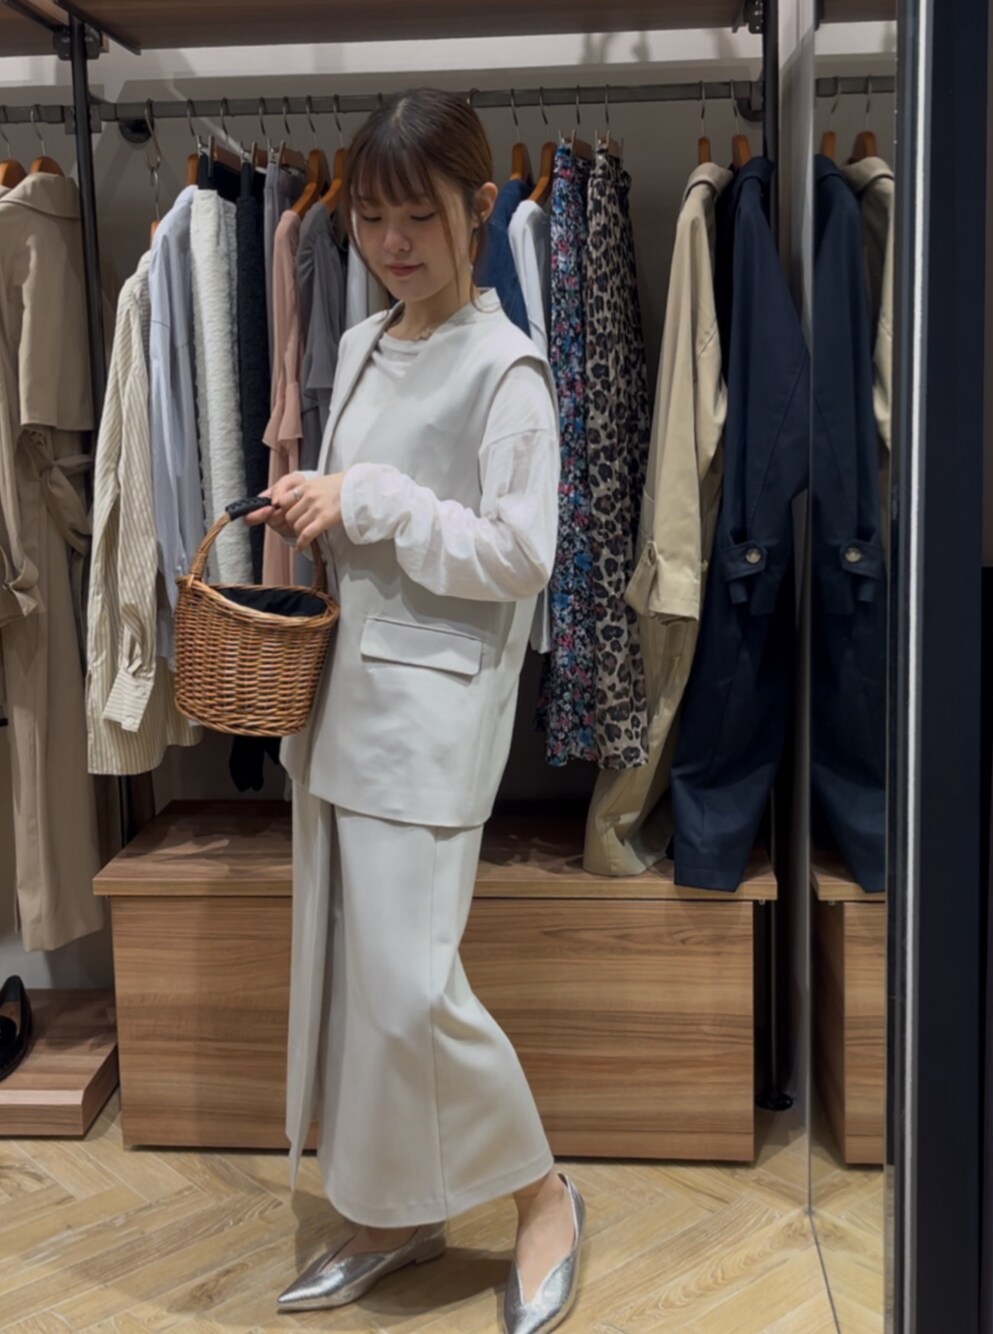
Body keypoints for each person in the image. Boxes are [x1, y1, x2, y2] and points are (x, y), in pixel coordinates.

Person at [246, 88, 584, 1334]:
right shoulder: (358, 345)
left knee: (412, 988)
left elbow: (521, 555)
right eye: (372, 218)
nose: (393, 243)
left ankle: (543, 1192)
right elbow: (363, 514)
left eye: (419, 217)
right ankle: (394, 1209)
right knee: (359, 986)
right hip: (341, 701)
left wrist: (371, 498)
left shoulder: (507, 368)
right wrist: (315, 508)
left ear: (478, 208)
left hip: (431, 721)